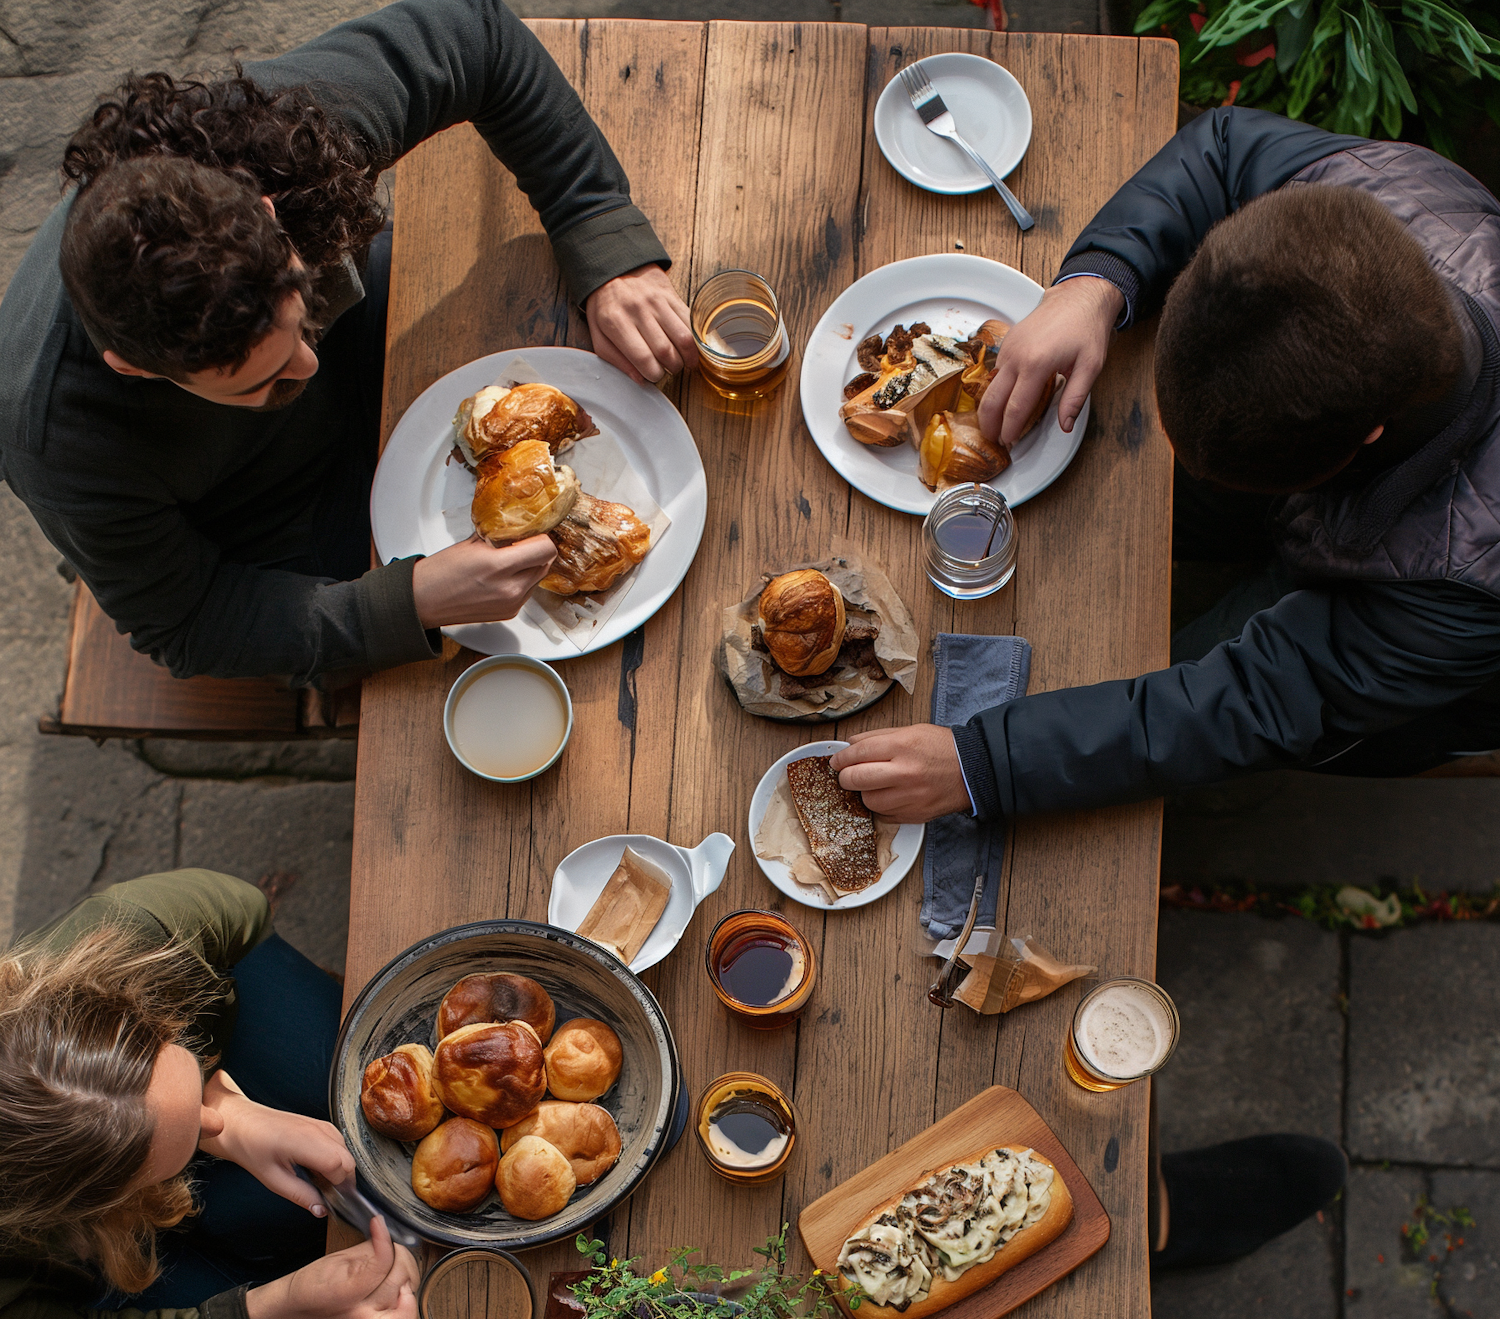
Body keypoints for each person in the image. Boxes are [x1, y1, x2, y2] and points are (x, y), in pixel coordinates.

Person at [0, 0, 696, 685]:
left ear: (268, 212)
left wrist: (599, 227)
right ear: (136, 370)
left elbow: (473, 33)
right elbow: (187, 623)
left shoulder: (273, 143)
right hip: (278, 519)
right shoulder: (57, 442)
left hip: (390, 326)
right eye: (261, 382)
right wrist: (410, 602)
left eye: (302, 312)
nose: (306, 364)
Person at [834, 111, 1500, 827]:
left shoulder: (1465, 588)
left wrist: (984, 762)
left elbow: (1249, 702)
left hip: (1423, 652)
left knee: (1191, 680)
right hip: (1366, 496)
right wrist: (1094, 285)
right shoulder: (1382, 192)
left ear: (1363, 439)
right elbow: (1220, 150)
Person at [0, 867, 417, 1319]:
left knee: (337, 1101)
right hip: (70, 1267)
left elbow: (244, 909)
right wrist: (283, 1307)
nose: (209, 1130)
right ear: (92, 1207)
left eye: (178, 1062)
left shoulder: (128, 935)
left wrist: (228, 1109)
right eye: (192, 1137)